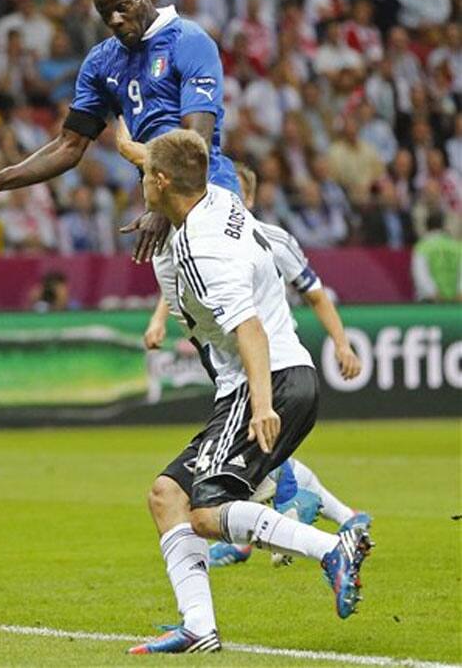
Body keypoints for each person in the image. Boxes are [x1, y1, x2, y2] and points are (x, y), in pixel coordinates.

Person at [127, 129, 373, 654]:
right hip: (286, 378)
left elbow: (250, 329)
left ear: (164, 182)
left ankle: (333, 546)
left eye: (147, 175)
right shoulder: (217, 197)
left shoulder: (201, 249)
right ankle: (198, 626)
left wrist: (260, 404)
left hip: (266, 382)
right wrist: (119, 119)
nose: (141, 181)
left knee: (208, 507)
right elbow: (161, 157)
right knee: (167, 496)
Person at [0, 0, 239, 265]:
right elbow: (69, 145)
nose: (115, 19)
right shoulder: (101, 62)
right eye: (105, 13)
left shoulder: (189, 40)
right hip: (161, 208)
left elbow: (196, 139)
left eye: (121, 6)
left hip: (208, 198)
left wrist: (163, 207)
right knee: (196, 313)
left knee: (230, 310)